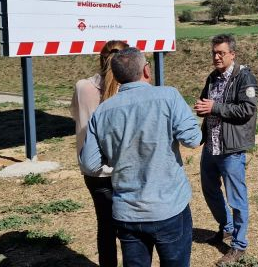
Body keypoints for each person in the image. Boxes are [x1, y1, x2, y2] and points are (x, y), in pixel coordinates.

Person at [80, 47, 202, 267]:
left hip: (127, 213)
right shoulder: (168, 96)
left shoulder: (103, 111)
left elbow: (89, 164)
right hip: (169, 208)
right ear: (146, 70)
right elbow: (192, 139)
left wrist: (113, 156)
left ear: (116, 77)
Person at [194, 34, 258, 266]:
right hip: (211, 146)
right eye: (214, 52)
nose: (217, 56)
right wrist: (202, 108)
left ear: (233, 54)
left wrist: (215, 107)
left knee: (236, 197)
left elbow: (247, 109)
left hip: (231, 149)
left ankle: (239, 245)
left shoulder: (245, 77)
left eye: (221, 52)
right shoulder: (212, 78)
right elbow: (206, 102)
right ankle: (227, 228)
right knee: (210, 190)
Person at [70, 40, 128, 267]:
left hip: (93, 171)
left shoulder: (82, 87)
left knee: (105, 227)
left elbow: (75, 114)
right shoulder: (128, 92)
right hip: (123, 168)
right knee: (128, 227)